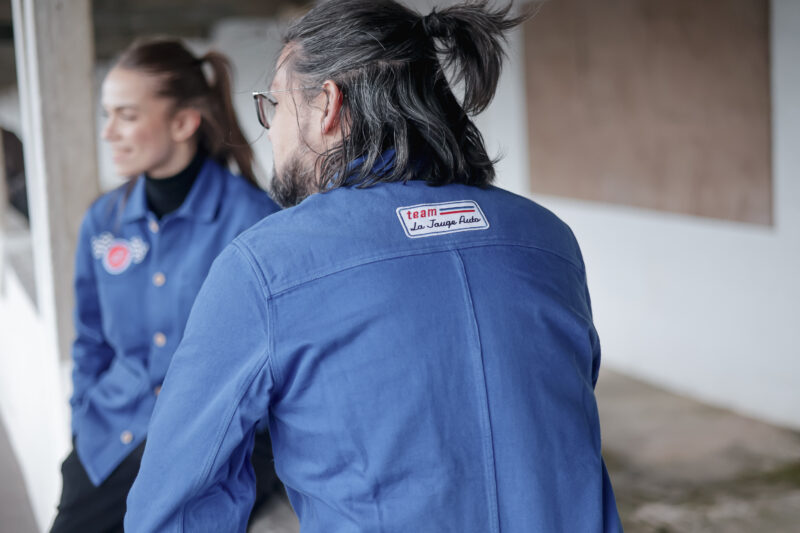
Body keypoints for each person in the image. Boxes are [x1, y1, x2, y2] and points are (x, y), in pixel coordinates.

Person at [126, 1, 623, 531]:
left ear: (328, 107)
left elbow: (173, 507)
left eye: (274, 105)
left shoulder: (265, 268)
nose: (270, 131)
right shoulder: (549, 240)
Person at [50, 38, 281, 533]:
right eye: (107, 114)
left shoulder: (255, 222)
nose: (108, 132)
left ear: (183, 123)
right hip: (107, 439)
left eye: (127, 116)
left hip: (211, 448)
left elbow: (277, 358)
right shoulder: (103, 219)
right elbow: (90, 341)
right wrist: (82, 417)